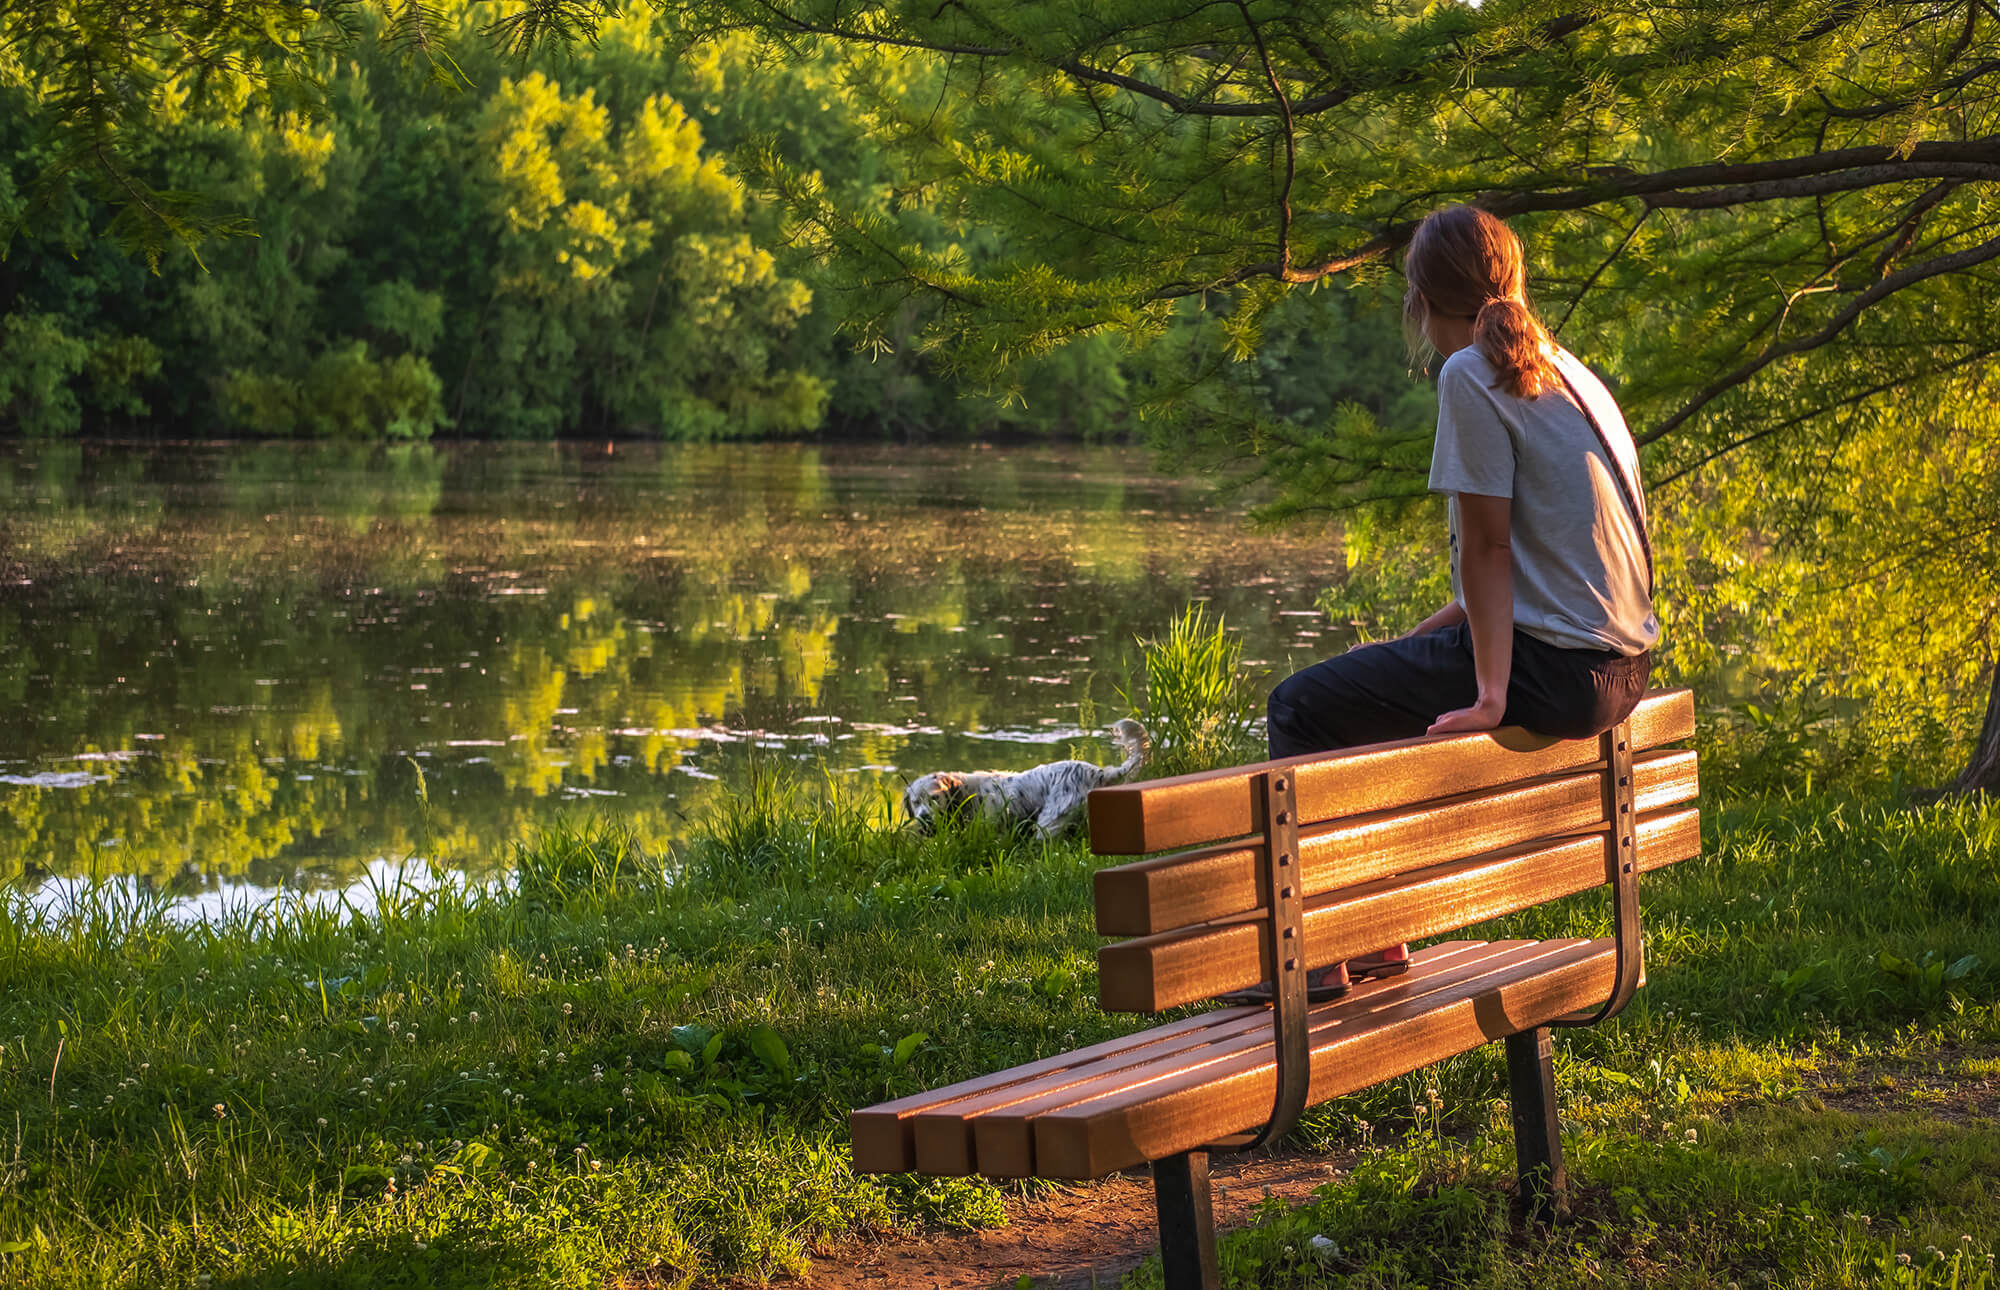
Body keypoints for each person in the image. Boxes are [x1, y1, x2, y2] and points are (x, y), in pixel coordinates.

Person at [1261, 204, 1658, 1003]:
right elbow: (1546, 563)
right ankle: (1373, 936)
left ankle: (1325, 954)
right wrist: (1430, 636)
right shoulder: (1568, 370)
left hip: (1549, 671)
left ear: (1420, 302)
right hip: (1621, 670)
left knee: (1301, 706)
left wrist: (1489, 694)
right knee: (1365, 683)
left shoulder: (1471, 371)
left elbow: (1487, 548)